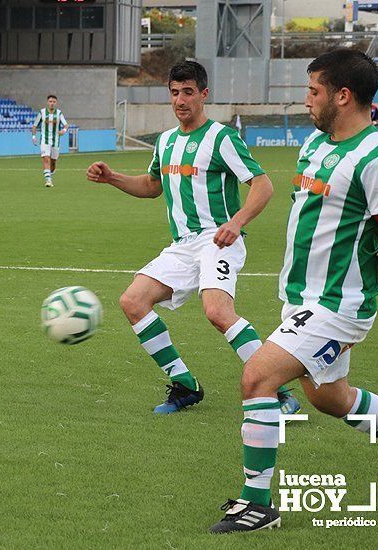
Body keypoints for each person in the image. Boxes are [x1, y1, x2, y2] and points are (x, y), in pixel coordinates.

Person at [209, 48, 378, 534]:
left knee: (257, 377)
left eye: (313, 91)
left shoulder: (377, 159)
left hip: (339, 304)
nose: (305, 101)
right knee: (329, 398)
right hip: (302, 297)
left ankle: (257, 504)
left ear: (343, 95)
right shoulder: (315, 147)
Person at [86, 60, 300, 416]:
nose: (180, 100)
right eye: (174, 92)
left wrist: (237, 221)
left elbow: (262, 185)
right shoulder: (166, 141)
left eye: (188, 92)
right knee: (132, 301)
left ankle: (278, 392)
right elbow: (153, 186)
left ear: (203, 94)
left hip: (218, 240)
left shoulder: (221, 138)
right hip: (183, 245)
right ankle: (185, 385)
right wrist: (113, 177)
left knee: (217, 312)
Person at [31, 94, 68, 188]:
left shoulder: (59, 113)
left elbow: (66, 125)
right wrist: (34, 136)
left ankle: (50, 174)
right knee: (46, 158)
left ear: (56, 103)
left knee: (53, 161)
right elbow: (35, 125)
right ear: (47, 102)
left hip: (56, 140)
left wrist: (63, 131)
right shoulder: (42, 112)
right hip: (44, 140)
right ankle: (48, 180)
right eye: (50, 101)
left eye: (54, 102)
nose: (52, 103)